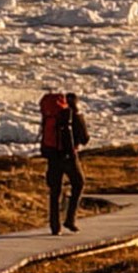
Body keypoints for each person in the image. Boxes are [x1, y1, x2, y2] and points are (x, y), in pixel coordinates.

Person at [35, 90, 90, 233]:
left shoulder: (51, 116)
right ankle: (70, 219)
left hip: (53, 156)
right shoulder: (74, 116)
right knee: (79, 183)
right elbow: (85, 139)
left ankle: (55, 226)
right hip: (69, 156)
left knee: (55, 190)